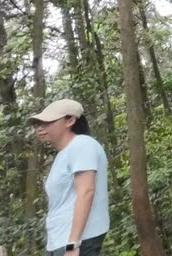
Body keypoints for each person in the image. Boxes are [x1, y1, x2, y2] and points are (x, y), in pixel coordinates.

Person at [31, 99, 110, 256]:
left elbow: (86, 191)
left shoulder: (82, 144)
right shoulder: (64, 153)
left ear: (70, 120)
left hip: (78, 240)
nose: (40, 128)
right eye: (38, 124)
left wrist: (73, 244)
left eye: (48, 122)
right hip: (61, 239)